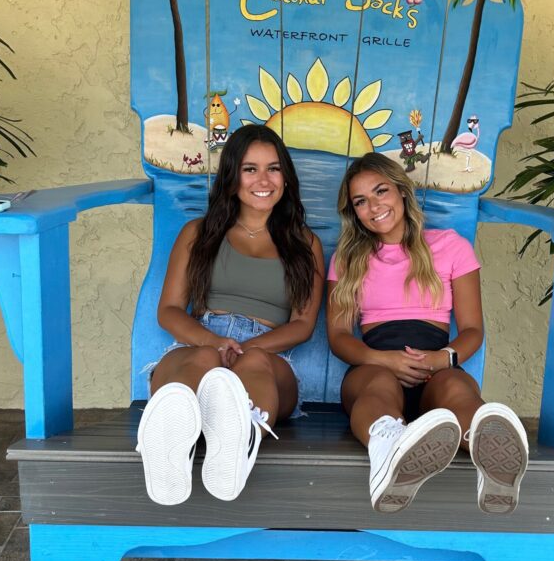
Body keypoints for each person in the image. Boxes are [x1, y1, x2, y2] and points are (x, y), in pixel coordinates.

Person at [327, 152, 528, 514]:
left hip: (436, 364)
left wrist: (443, 359)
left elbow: (471, 330)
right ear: (353, 211)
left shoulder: (451, 247)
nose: (374, 207)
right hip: (373, 364)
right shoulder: (347, 259)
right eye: (361, 201)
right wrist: (383, 359)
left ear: (402, 192)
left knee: (457, 389)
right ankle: (391, 451)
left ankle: (490, 456)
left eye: (380, 192)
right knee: (378, 387)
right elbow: (339, 336)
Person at [137, 125, 324, 505]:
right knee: (204, 360)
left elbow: (303, 325)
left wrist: (245, 347)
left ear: (286, 177)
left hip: (269, 353)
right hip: (201, 339)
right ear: (232, 176)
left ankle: (240, 438)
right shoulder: (199, 233)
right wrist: (215, 342)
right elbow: (170, 311)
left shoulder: (305, 244)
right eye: (250, 168)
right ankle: (169, 443)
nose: (263, 180)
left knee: (252, 361)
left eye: (273, 168)